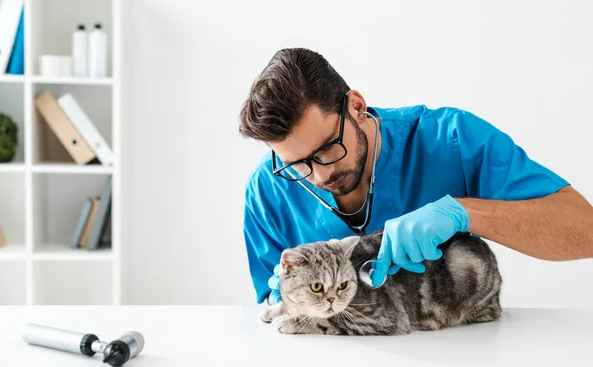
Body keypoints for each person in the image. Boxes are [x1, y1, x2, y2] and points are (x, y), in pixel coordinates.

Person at [238, 48, 593, 305]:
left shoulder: (452, 139)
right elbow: (272, 310)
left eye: (328, 149)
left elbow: (585, 231)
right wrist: (277, 300)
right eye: (298, 164)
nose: (320, 174)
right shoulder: (268, 191)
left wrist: (463, 212)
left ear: (356, 108)